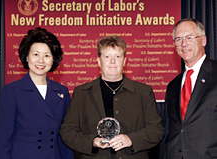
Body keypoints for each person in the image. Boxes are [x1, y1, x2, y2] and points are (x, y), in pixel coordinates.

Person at [60, 35, 164, 159]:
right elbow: (68, 132)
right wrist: (92, 142)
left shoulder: (143, 92)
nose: (112, 62)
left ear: (125, 61)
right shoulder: (81, 93)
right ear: (99, 61)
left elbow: (156, 130)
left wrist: (130, 140)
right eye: (107, 56)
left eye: (117, 56)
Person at [0, 27, 74, 159]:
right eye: (36, 54)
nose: (41, 61)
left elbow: (64, 137)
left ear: (53, 60)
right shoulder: (12, 91)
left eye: (47, 55)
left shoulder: (62, 92)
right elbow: (3, 140)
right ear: (27, 57)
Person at [165, 18, 217, 159]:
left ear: (204, 40)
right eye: (179, 39)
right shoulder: (172, 86)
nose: (184, 44)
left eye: (190, 37)